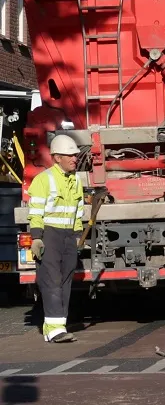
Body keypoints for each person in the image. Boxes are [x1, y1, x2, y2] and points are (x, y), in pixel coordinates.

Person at [27, 134, 84, 343]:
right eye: (70, 155)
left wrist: (78, 235)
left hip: (69, 236)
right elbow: (36, 212)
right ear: (57, 157)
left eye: (75, 155)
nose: (74, 159)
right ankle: (54, 330)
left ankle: (58, 325)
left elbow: (78, 211)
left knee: (65, 282)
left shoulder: (76, 180)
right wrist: (36, 238)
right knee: (52, 281)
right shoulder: (44, 179)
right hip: (49, 235)